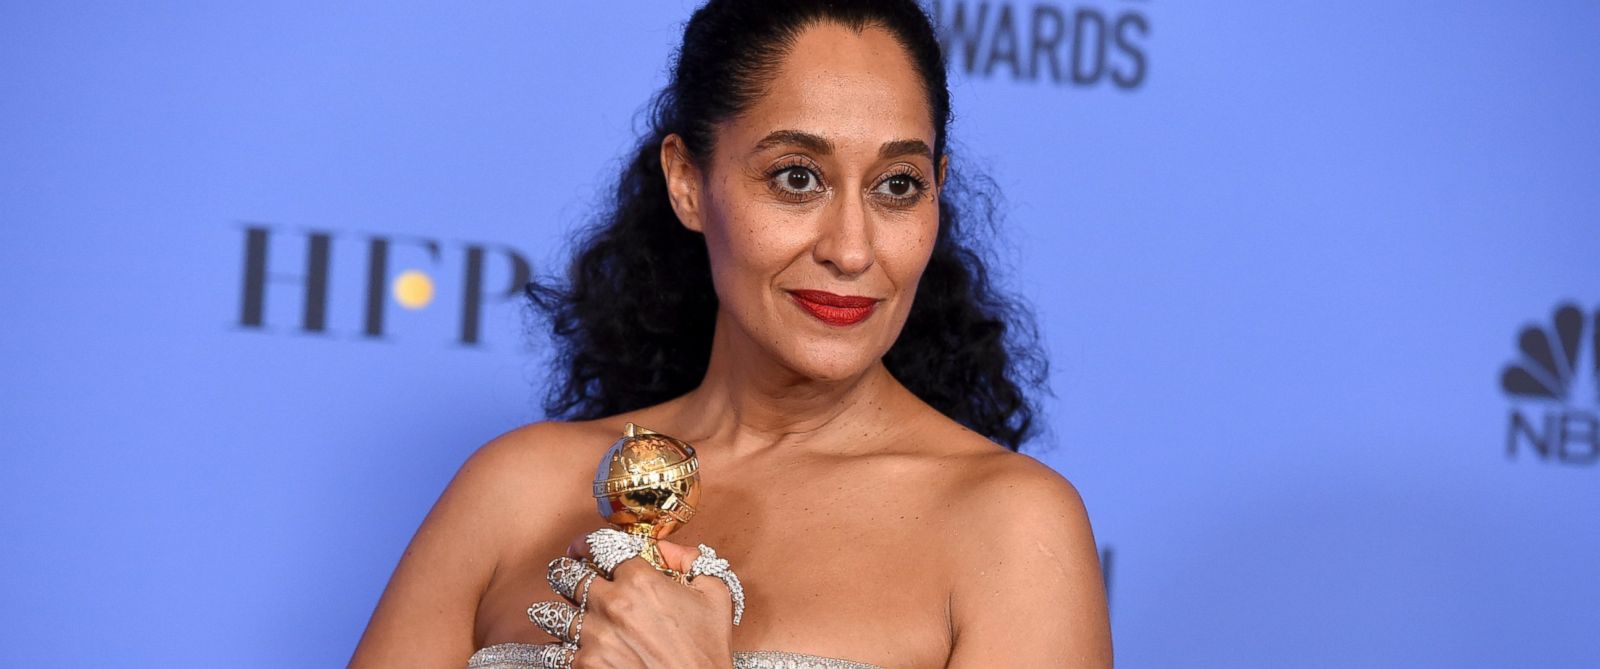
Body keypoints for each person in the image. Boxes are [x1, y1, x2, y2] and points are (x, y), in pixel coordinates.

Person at [350, 1, 1112, 667]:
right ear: (687, 181)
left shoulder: (1010, 528)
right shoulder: (513, 490)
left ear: (936, 194)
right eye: (796, 176)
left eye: (897, 186)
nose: (851, 248)